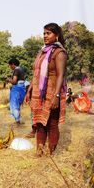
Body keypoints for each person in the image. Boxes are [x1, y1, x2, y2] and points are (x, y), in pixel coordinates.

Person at [26, 23, 67, 156]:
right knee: (40, 122)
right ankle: (39, 149)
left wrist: (56, 96)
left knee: (52, 123)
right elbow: (36, 73)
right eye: (44, 33)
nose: (45, 36)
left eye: (48, 33)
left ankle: (50, 152)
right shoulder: (42, 51)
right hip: (39, 93)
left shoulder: (59, 52)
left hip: (52, 92)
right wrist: (30, 90)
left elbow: (61, 75)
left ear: (57, 35)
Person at [8, 58, 26, 125]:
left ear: (13, 64)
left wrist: (9, 80)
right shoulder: (21, 69)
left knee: (14, 105)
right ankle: (18, 120)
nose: (10, 67)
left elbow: (14, 82)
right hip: (22, 88)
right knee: (17, 104)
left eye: (10, 65)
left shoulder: (16, 70)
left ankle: (17, 121)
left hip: (17, 88)